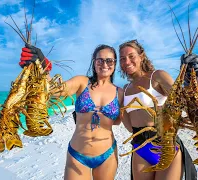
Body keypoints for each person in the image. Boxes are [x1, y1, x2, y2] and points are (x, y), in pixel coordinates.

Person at [19, 44, 124, 180]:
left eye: (109, 60)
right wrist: (42, 68)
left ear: (115, 63)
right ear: (94, 62)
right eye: (100, 60)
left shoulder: (120, 93)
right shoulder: (82, 82)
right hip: (78, 155)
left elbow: (118, 121)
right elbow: (55, 90)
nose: (105, 64)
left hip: (107, 155)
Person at [118, 40, 198, 180]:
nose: (127, 61)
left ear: (142, 56)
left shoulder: (157, 76)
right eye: (122, 59)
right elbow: (129, 127)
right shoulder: (125, 89)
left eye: (131, 56)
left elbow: (184, 100)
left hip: (166, 144)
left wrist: (191, 79)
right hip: (140, 148)